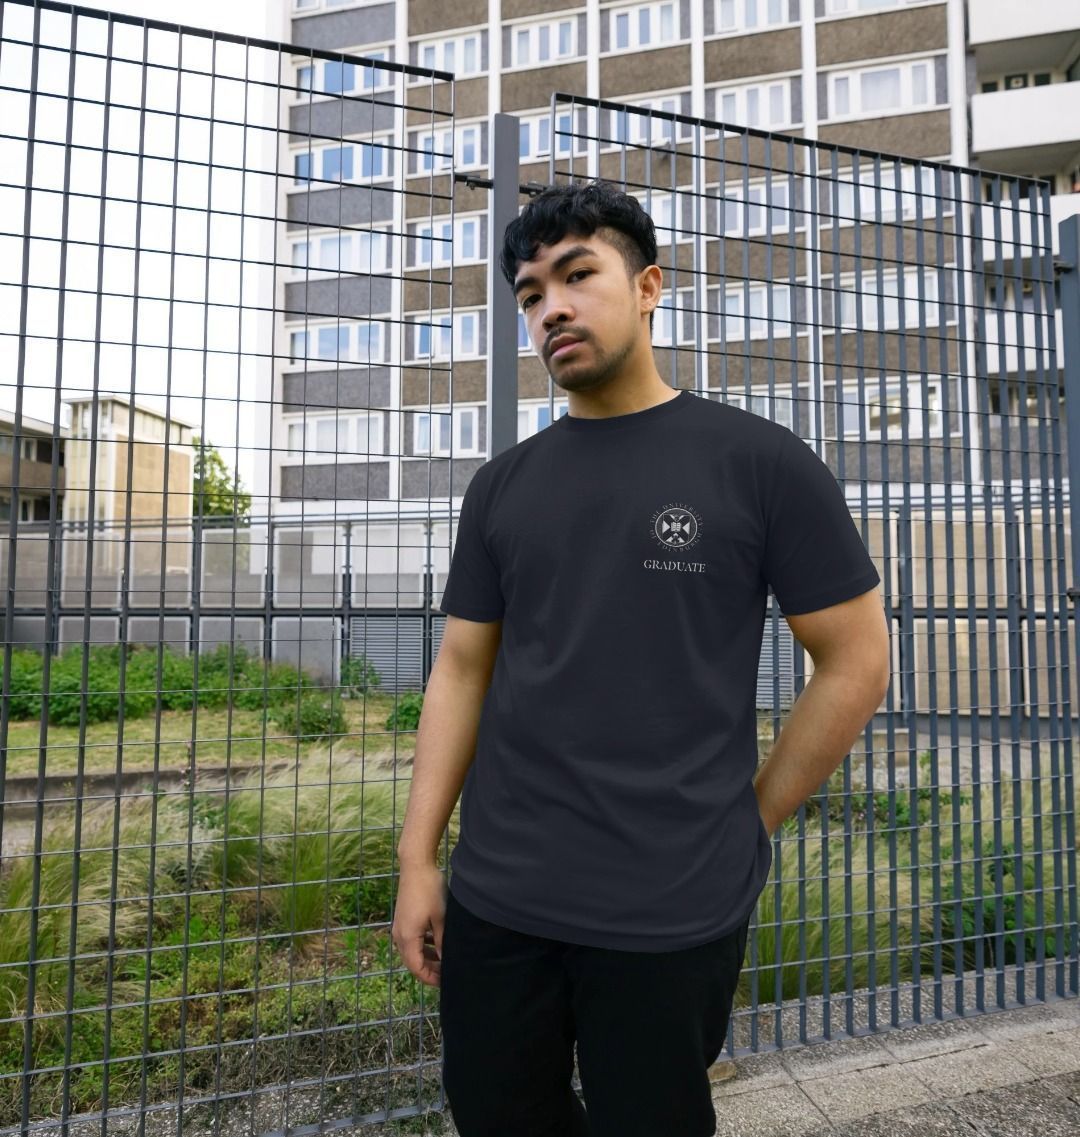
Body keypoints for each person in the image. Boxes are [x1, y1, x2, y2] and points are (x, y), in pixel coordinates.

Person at [391, 180, 891, 1137]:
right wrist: (419, 858)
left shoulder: (759, 463)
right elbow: (460, 669)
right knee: (498, 1112)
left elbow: (857, 659)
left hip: (672, 905)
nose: (553, 308)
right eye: (531, 294)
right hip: (502, 897)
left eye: (578, 275)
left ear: (651, 284)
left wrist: (750, 821)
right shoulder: (502, 487)